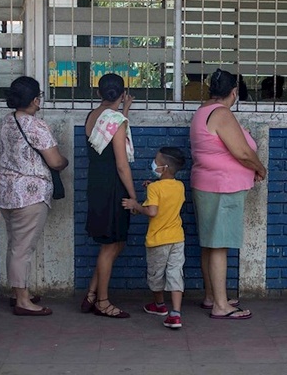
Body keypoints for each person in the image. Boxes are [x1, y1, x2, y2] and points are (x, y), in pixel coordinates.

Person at [190, 68, 267, 320]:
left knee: (209, 244)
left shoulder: (202, 111)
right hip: (223, 187)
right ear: (233, 92)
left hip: (207, 184)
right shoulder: (221, 113)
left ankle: (212, 296)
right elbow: (242, 152)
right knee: (219, 245)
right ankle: (221, 306)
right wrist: (259, 168)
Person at [0, 76, 68, 316]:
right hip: (30, 195)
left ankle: (18, 292)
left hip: (6, 192)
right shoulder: (37, 126)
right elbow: (56, 161)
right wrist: (64, 161)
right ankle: (23, 301)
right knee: (23, 249)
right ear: (35, 99)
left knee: (14, 246)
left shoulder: (6, 121)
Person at [81, 73, 136, 319]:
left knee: (113, 242)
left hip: (97, 185)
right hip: (115, 185)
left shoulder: (93, 116)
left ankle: (92, 293)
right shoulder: (117, 121)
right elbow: (122, 164)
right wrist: (134, 196)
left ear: (97, 93)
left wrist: (124, 110)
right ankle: (102, 302)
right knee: (111, 245)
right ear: (123, 93)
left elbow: (111, 129)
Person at [121, 147, 187, 329]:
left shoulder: (155, 188)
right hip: (177, 238)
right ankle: (176, 313)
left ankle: (159, 306)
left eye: (156, 162)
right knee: (175, 273)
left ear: (164, 168)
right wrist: (153, 188)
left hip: (158, 241)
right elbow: (167, 199)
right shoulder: (180, 186)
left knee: (156, 274)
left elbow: (152, 211)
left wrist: (136, 205)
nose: (153, 163)